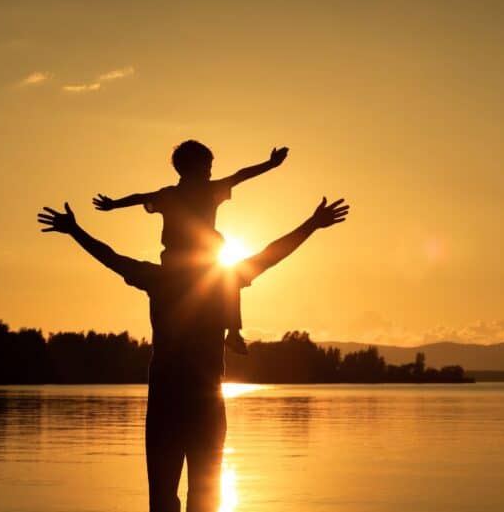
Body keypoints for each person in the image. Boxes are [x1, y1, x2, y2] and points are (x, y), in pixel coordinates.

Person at [37, 197, 349, 512]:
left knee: (164, 496)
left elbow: (110, 257)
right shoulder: (222, 280)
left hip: (168, 398)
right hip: (203, 400)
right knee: (203, 496)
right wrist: (311, 224)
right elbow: (270, 255)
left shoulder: (159, 278)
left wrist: (74, 230)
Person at [92, 140, 289, 355]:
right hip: (184, 262)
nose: (210, 172)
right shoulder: (200, 191)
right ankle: (232, 332)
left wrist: (114, 204)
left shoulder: (172, 194)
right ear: (192, 168)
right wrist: (269, 165)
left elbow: (142, 197)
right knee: (229, 277)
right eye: (207, 167)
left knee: (228, 276)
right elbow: (239, 176)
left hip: (195, 260)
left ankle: (232, 333)